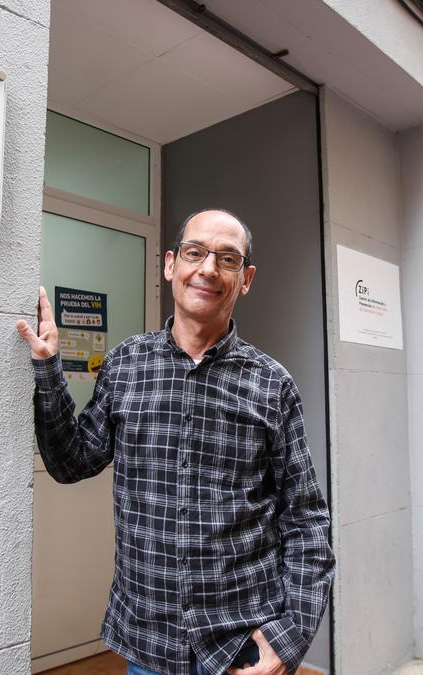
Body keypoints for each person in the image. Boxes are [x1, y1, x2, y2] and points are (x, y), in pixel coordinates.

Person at [17, 209, 334, 675]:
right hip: (148, 639)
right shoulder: (127, 363)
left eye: (227, 259)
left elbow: (306, 519)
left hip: (241, 643)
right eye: (195, 253)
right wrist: (48, 368)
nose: (208, 269)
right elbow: (72, 461)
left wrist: (289, 639)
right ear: (171, 265)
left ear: (245, 279)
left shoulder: (272, 384)